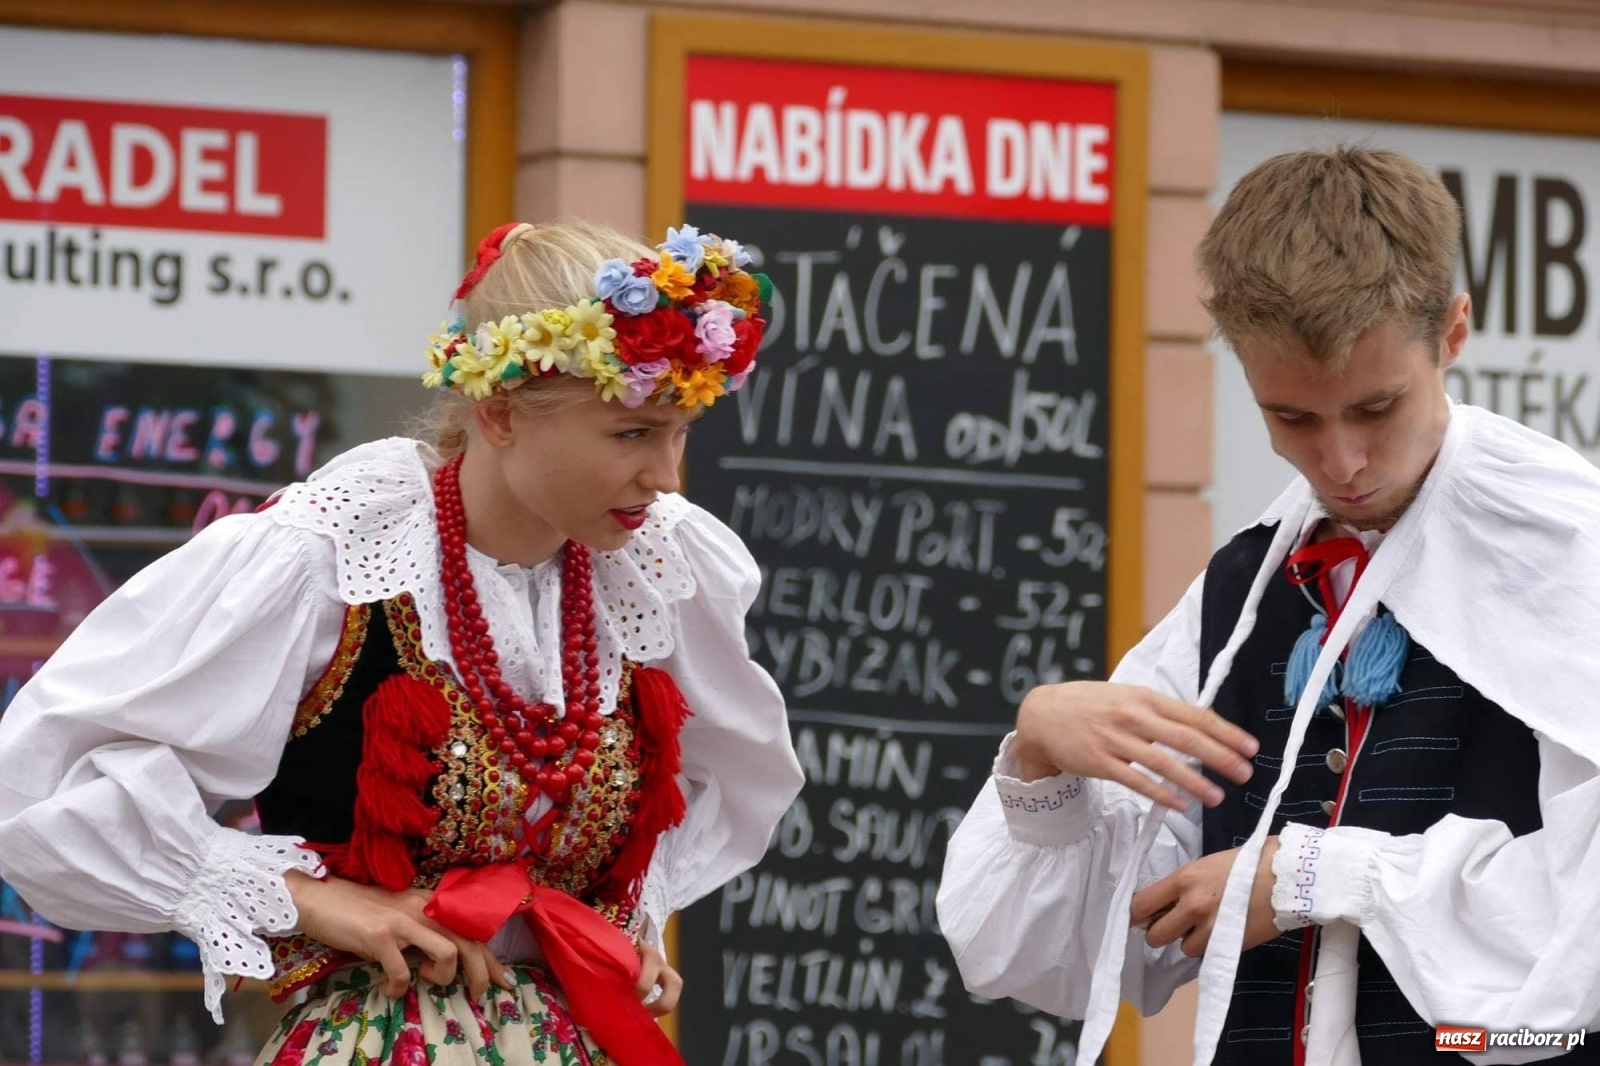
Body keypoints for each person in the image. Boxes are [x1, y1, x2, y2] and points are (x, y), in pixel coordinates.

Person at [0, 219, 804, 1064]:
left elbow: (737, 774)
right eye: (632, 434)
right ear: (498, 414)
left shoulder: (656, 567)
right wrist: (307, 898)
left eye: (679, 434)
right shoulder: (332, 555)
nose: (665, 475)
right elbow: (41, 780)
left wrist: (626, 922)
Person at [936, 146, 1600, 1065]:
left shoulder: (1569, 546)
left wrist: (1317, 874)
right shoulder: (1246, 587)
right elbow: (1057, 958)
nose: (1341, 463)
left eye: (1377, 408)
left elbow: (1581, 939)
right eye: (1292, 418)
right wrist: (1043, 755)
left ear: (1453, 333)